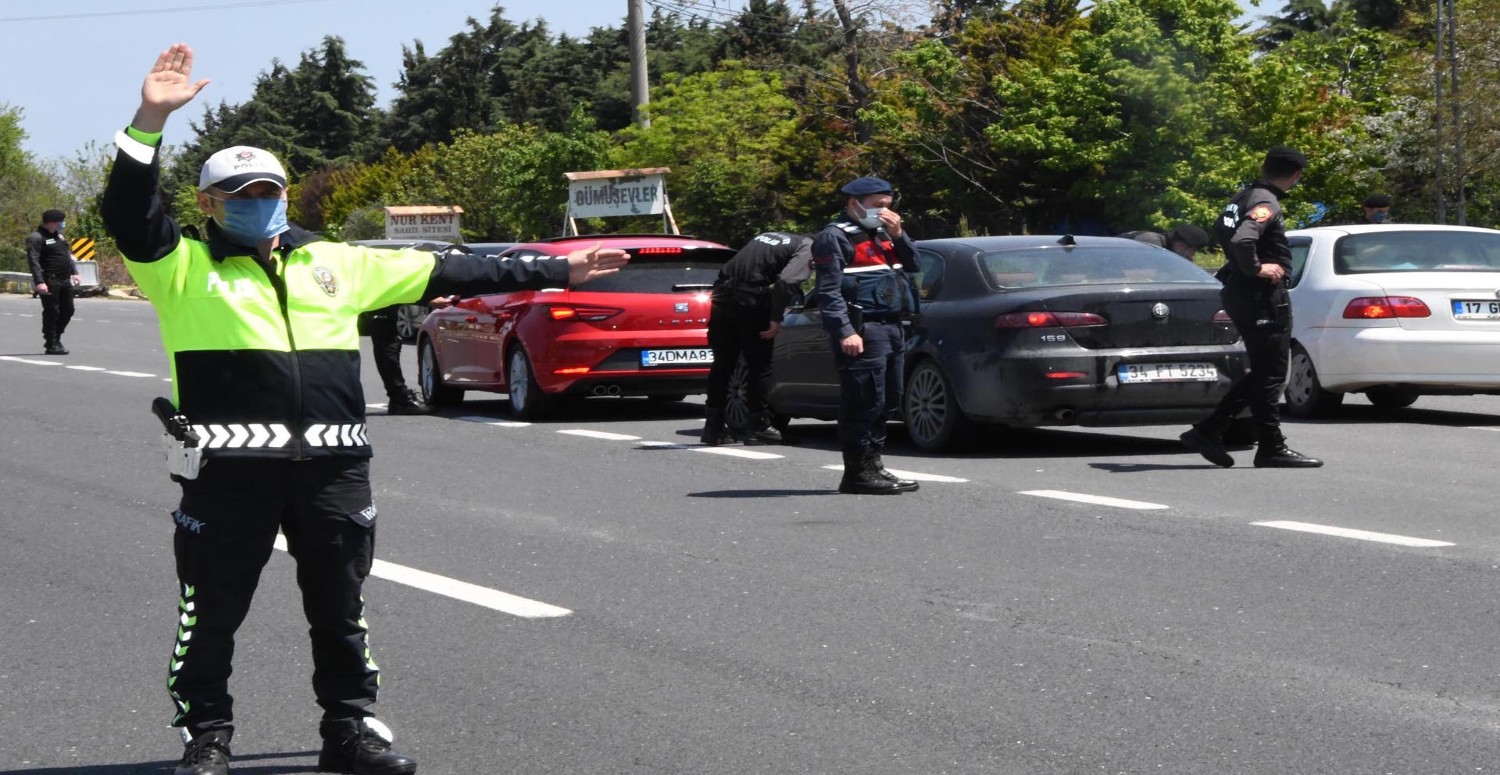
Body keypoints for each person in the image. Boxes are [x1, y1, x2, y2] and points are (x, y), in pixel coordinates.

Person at [100, 44, 628, 775]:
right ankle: (207, 735)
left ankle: (350, 730)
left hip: (333, 471)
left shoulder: (337, 263)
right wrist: (150, 118)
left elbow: (451, 266)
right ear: (207, 205)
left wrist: (557, 265)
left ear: (285, 196)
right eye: (239, 194)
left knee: (341, 609)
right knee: (211, 611)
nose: (256, 202)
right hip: (228, 474)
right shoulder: (180, 268)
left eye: (267, 190)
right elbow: (127, 212)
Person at [1179, 146, 1323, 469]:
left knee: (1264, 371)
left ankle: (1210, 431)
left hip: (1242, 291)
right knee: (1271, 373)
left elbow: (1224, 231)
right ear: (1296, 175)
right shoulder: (1265, 203)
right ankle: (1270, 447)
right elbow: (1244, 239)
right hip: (1260, 296)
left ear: (1264, 166)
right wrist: (1257, 268)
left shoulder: (1242, 196)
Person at [811, 176, 922, 495]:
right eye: (877, 206)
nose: (884, 212)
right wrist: (845, 331)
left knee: (887, 401)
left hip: (892, 327)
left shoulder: (887, 233)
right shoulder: (834, 236)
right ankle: (857, 472)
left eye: (888, 206)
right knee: (863, 401)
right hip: (863, 329)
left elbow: (914, 265)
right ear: (854, 204)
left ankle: (875, 466)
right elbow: (828, 291)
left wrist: (899, 235)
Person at [700, 231, 814, 445]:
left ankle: (713, 429)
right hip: (749, 300)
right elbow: (787, 280)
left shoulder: (773, 236)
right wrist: (775, 317)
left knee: (723, 363)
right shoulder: (808, 246)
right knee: (760, 365)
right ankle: (758, 427)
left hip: (722, 294)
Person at [365, 298, 450, 415]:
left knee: (387, 344)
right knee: (387, 345)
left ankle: (398, 398)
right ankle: (399, 397)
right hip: (379, 299)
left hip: (381, 300)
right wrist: (428, 299)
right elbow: (399, 288)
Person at [26, 209, 81, 355]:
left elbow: (67, 255)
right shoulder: (36, 237)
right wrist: (39, 281)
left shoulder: (59, 236)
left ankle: (55, 337)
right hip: (50, 280)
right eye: (60, 222)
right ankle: (51, 343)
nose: (62, 224)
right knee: (52, 311)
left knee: (68, 310)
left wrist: (75, 272)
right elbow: (33, 261)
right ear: (51, 222)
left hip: (65, 279)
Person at [1124, 224, 1211, 261]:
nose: (1193, 255)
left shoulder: (1165, 248)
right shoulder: (1152, 244)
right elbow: (1147, 274)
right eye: (1193, 250)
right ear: (1182, 246)